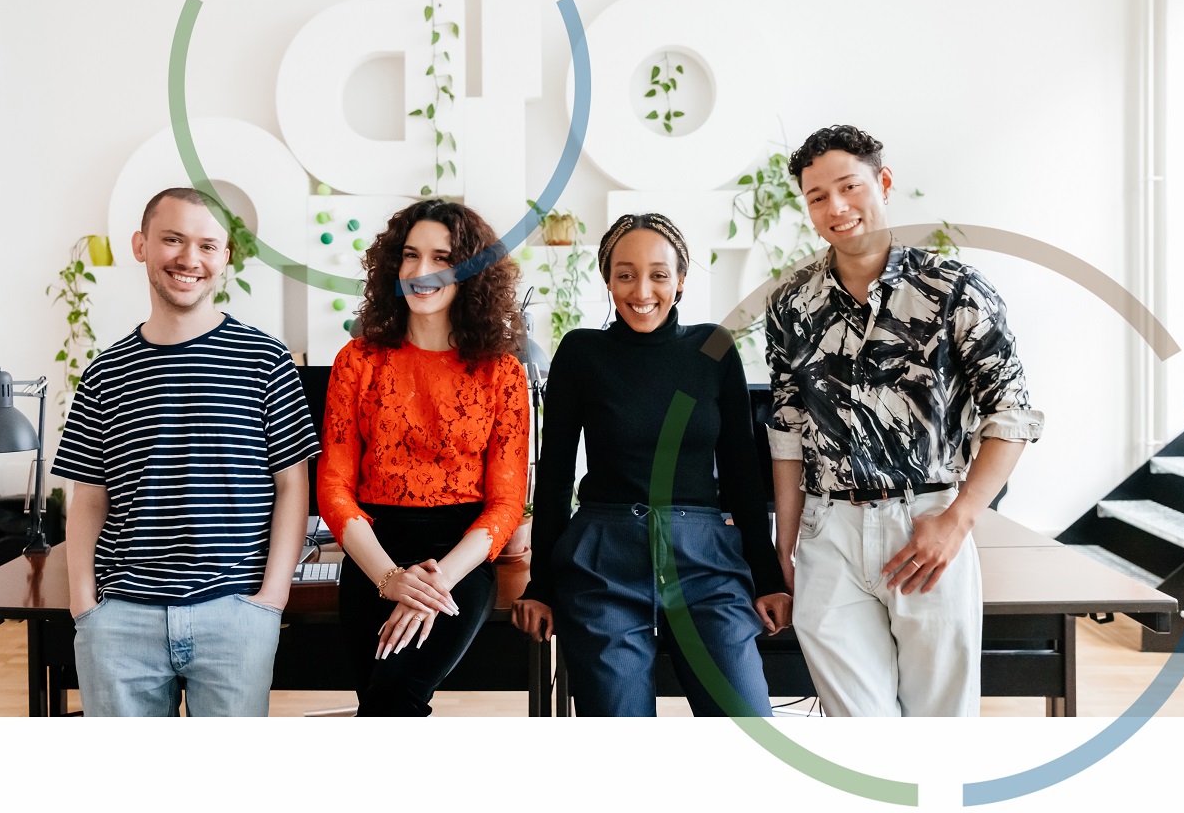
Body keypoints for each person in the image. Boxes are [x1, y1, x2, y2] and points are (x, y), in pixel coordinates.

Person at [765, 125, 1045, 717]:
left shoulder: (954, 290)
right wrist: (785, 543)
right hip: (828, 533)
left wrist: (957, 520)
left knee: (939, 728)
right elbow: (786, 426)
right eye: (818, 196)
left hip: (928, 524)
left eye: (849, 186)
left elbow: (1011, 415)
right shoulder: (790, 304)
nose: (836, 207)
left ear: (883, 183)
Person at [52, 187, 319, 716]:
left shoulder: (266, 361)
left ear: (226, 257)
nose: (189, 259)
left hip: (236, 614)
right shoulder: (105, 372)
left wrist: (272, 600)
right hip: (121, 619)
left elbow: (293, 486)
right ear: (140, 245)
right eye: (172, 239)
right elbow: (88, 497)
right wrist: (85, 607)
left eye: (207, 245)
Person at [512, 212, 790, 717]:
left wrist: (768, 578)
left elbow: (741, 474)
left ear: (680, 280)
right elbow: (553, 476)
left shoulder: (714, 348)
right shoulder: (581, 351)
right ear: (608, 280)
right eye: (626, 274)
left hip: (705, 563)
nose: (643, 289)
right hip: (605, 563)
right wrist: (541, 586)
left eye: (659, 274)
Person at [315, 198, 531, 716]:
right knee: (379, 700)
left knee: (395, 695)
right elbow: (334, 485)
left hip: (457, 561)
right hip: (373, 556)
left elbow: (506, 503)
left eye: (441, 258)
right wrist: (390, 577)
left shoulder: (502, 372)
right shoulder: (357, 360)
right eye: (410, 256)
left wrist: (433, 584)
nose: (420, 272)